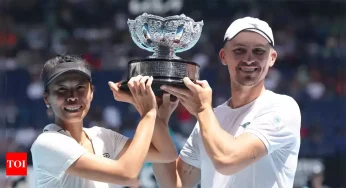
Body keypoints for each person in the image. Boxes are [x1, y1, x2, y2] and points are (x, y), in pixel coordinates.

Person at [153, 17, 302, 188]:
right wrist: (157, 119)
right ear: (223, 56)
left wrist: (202, 110)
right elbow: (175, 184)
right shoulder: (211, 118)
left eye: (259, 51)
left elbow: (228, 160)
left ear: (272, 58)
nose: (249, 59)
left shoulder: (283, 108)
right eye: (239, 50)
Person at [30, 54, 179, 188]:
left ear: (91, 93)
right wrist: (147, 113)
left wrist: (143, 107)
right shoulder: (48, 142)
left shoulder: (102, 136)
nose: (72, 96)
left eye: (80, 87)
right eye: (62, 89)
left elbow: (166, 153)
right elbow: (126, 174)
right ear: (46, 98)